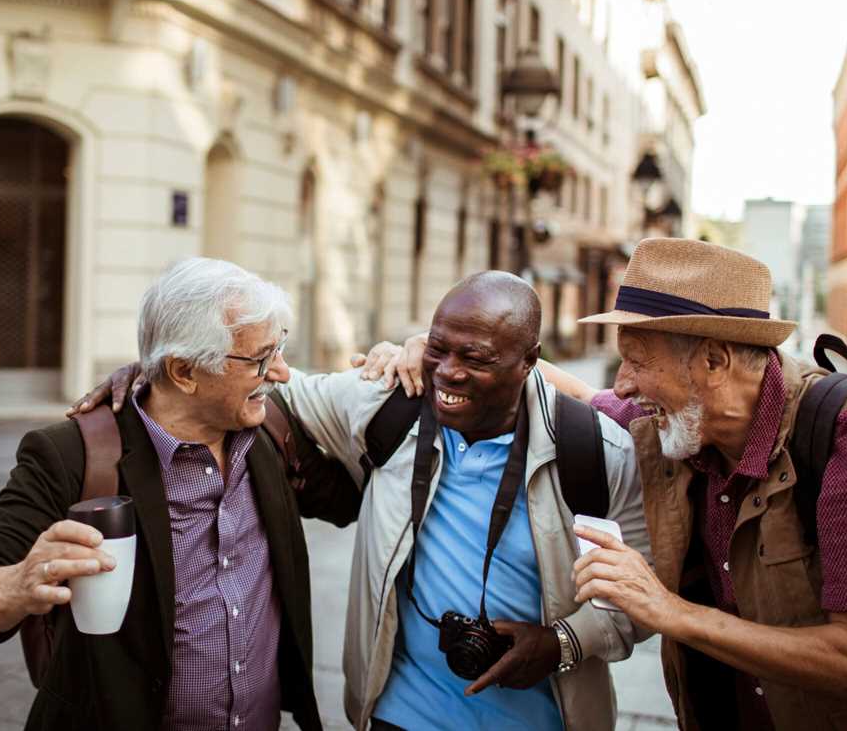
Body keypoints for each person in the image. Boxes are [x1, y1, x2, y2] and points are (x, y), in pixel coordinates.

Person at [80, 270, 650, 731]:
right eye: (438, 348)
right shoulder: (390, 401)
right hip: (396, 711)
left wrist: (561, 643)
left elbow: (640, 599)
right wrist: (156, 373)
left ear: (530, 361)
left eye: (475, 358)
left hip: (547, 718)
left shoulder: (597, 453)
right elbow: (272, 387)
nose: (448, 373)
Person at [446, 237, 847, 729]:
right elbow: (584, 399)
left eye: (636, 361)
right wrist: (444, 353)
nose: (624, 384)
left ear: (715, 360)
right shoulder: (679, 424)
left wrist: (667, 610)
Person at [0, 258, 362, 731]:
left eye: (279, 348)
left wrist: (416, 362)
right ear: (184, 371)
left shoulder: (270, 432)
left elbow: (353, 499)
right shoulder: (74, 455)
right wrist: (18, 584)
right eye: (259, 358)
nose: (280, 372)